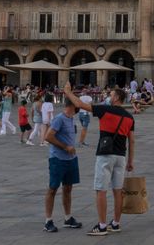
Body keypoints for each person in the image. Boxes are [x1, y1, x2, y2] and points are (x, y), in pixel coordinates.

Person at [63, 84, 135, 236]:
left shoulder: (105, 110)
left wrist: (68, 92)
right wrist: (130, 161)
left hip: (105, 155)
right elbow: (132, 141)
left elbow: (79, 104)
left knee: (101, 190)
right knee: (117, 191)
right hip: (121, 157)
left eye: (111, 95)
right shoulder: (130, 117)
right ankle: (115, 223)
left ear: (116, 98)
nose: (109, 97)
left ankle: (102, 226)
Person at [43, 96, 83, 232]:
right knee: (53, 189)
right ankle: (48, 221)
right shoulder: (59, 119)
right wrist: (65, 147)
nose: (79, 106)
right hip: (58, 159)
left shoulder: (71, 118)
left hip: (71, 159)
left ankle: (68, 218)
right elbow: (48, 136)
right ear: (72, 105)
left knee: (68, 188)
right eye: (77, 103)